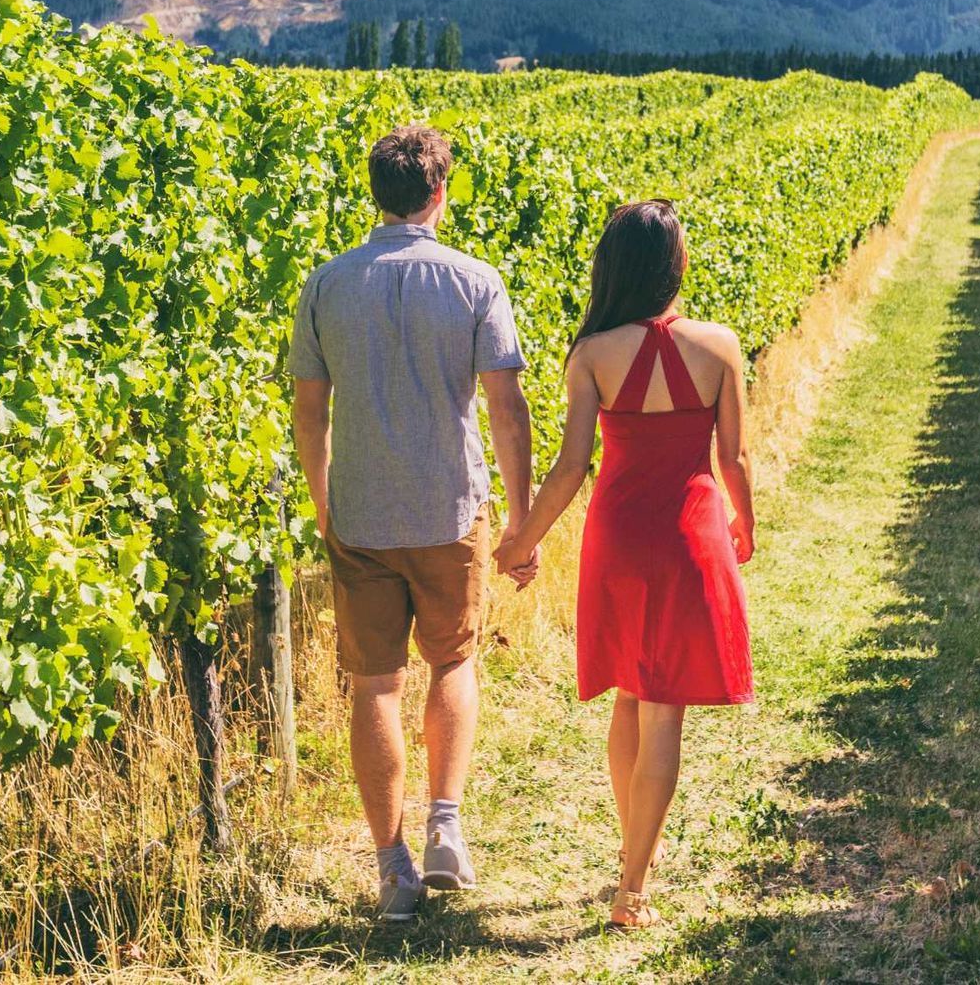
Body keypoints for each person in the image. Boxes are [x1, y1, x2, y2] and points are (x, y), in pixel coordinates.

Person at [290, 124, 537, 923]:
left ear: (376, 193)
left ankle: (392, 868)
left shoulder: (326, 285)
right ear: (440, 192)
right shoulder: (474, 282)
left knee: (374, 685)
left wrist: (327, 503)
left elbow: (309, 411)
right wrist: (522, 521)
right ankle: (446, 830)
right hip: (448, 510)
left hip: (360, 511)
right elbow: (507, 408)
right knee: (454, 662)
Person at [491, 199, 755, 930]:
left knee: (631, 697)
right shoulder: (720, 346)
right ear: (677, 265)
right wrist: (746, 522)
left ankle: (633, 846)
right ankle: (633, 885)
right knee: (663, 708)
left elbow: (572, 467)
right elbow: (732, 456)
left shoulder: (592, 354)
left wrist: (521, 541)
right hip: (688, 533)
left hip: (619, 539)